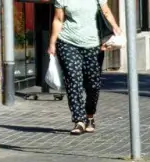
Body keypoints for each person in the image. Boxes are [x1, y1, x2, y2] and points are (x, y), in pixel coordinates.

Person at [49, 0, 122, 135]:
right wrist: (53, 43)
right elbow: (58, 19)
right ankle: (79, 121)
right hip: (67, 42)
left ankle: (90, 115)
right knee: (73, 79)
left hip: (94, 45)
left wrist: (115, 28)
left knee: (93, 84)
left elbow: (106, 12)